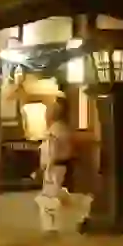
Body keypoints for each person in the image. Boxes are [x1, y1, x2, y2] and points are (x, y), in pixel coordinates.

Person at [35, 99, 74, 234]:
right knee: (52, 194)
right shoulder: (63, 129)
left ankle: (51, 226)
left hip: (54, 167)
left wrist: (47, 168)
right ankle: (52, 222)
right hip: (60, 166)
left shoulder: (54, 132)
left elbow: (51, 151)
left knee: (48, 197)